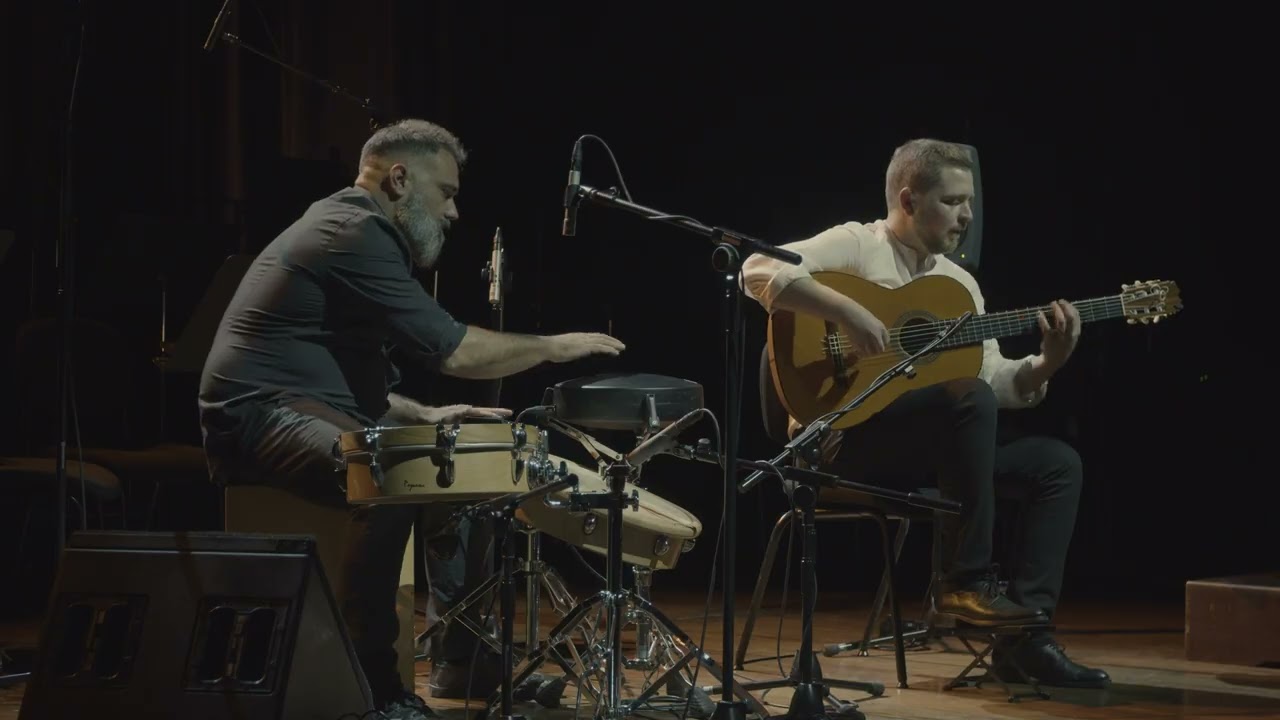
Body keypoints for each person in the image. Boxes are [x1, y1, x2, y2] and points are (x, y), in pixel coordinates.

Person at [198, 118, 626, 719]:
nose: (453, 212)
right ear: (399, 179)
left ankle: (463, 660)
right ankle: (373, 687)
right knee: (387, 477)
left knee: (463, 467)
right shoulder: (352, 231)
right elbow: (454, 351)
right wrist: (553, 345)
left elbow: (358, 389)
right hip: (254, 416)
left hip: (307, 408)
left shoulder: (361, 235)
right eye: (446, 192)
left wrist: (430, 414)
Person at [739, 138, 1110, 689]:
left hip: (930, 452)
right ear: (908, 201)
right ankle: (966, 581)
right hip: (842, 442)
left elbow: (993, 381)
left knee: (1056, 464)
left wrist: (1046, 363)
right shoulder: (857, 245)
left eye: (971, 203)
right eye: (954, 201)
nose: (966, 216)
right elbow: (756, 267)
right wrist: (848, 312)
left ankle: (1024, 642)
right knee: (967, 402)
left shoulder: (959, 286)